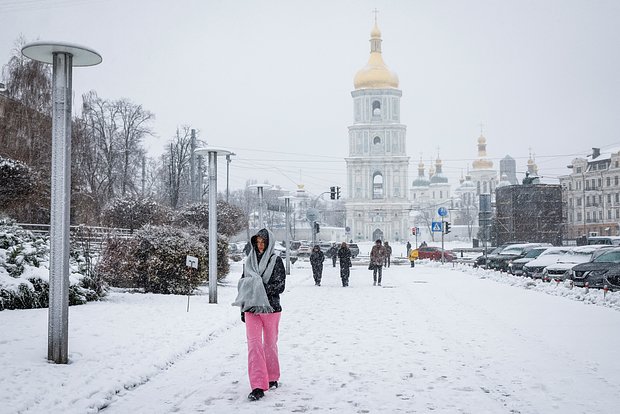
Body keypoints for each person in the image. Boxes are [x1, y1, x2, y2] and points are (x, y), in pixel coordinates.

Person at [232, 228, 286, 401]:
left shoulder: (276, 261)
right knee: (254, 346)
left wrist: (259, 288)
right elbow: (243, 286)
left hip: (271, 308)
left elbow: (280, 286)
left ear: (269, 243)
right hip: (251, 309)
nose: (260, 245)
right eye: (257, 242)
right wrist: (243, 308)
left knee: (269, 345)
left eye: (263, 242)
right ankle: (257, 385)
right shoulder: (249, 262)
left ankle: (272, 377)